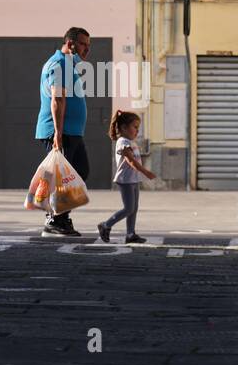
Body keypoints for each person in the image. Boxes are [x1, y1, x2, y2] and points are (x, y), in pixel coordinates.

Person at [35, 27, 91, 237]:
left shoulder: (69, 65)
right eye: (84, 44)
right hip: (61, 132)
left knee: (79, 174)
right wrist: (58, 133)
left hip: (72, 132)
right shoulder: (59, 64)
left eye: (88, 45)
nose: (87, 49)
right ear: (70, 44)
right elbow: (57, 99)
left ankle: (61, 217)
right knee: (63, 178)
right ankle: (54, 220)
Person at [97, 110, 155, 244]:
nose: (137, 131)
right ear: (123, 127)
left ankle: (130, 234)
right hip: (125, 180)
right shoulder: (123, 141)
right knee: (128, 208)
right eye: (135, 127)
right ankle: (105, 225)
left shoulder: (130, 141)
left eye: (138, 128)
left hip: (133, 179)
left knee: (134, 208)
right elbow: (130, 161)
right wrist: (146, 172)